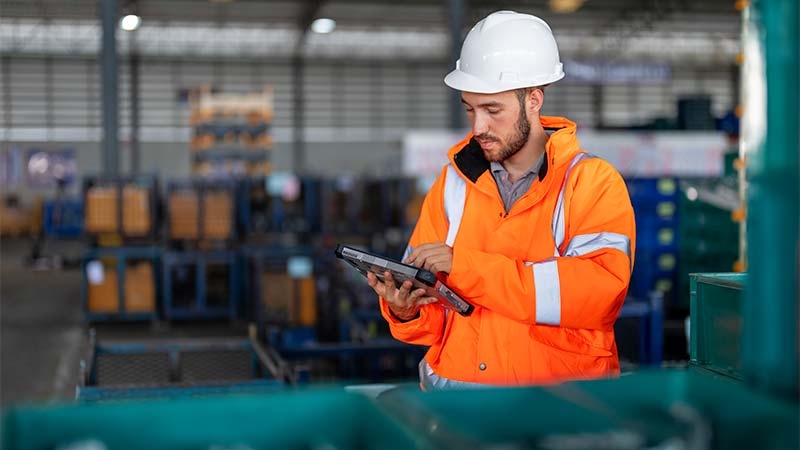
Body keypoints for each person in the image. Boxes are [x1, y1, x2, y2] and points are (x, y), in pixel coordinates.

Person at [367, 10, 635, 390]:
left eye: (493, 110)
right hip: (456, 412)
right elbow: (432, 322)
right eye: (471, 110)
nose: (478, 127)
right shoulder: (451, 185)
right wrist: (404, 309)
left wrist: (465, 268)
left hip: (558, 414)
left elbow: (596, 296)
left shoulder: (590, 182)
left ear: (534, 101)